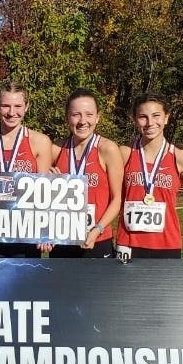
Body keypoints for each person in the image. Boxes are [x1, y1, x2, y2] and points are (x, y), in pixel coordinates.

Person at [0, 82, 53, 257]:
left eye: (18, 106)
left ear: (27, 107)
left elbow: (45, 191)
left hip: (26, 232)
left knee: (25, 284)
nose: (11, 112)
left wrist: (46, 231)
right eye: (5, 106)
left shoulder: (40, 141)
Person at [115, 93, 183, 260]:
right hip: (129, 242)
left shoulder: (181, 157)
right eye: (143, 117)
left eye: (156, 116)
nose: (150, 123)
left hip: (167, 243)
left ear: (166, 118)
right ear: (135, 119)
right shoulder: (124, 154)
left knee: (163, 288)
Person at [49, 89, 123, 258]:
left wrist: (98, 229)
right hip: (63, 240)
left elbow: (117, 199)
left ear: (98, 117)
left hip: (97, 239)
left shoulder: (107, 149)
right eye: (76, 115)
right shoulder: (56, 149)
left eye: (89, 114)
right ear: (67, 117)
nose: (83, 121)